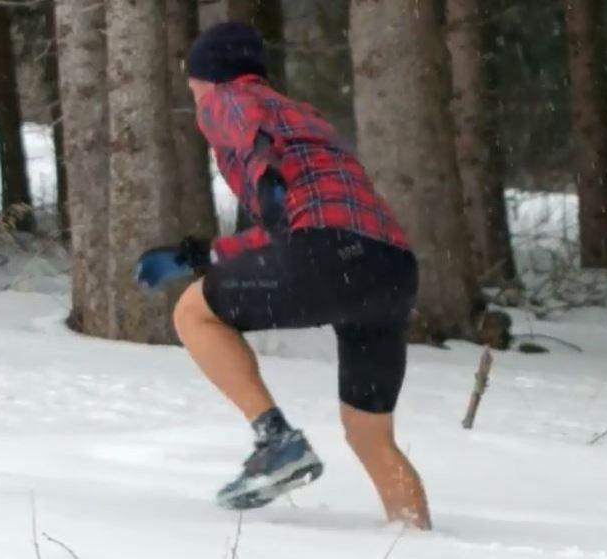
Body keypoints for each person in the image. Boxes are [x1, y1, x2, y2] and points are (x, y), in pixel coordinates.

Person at [133, 22, 431, 529]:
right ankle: (418, 539)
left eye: (192, 80)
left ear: (209, 74)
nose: (192, 90)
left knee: (193, 314)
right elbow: (292, 225)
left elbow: (253, 137)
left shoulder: (227, 98)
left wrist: (265, 178)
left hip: (328, 253)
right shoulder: (308, 119)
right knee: (370, 435)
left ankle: (277, 439)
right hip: (390, 269)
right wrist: (200, 254)